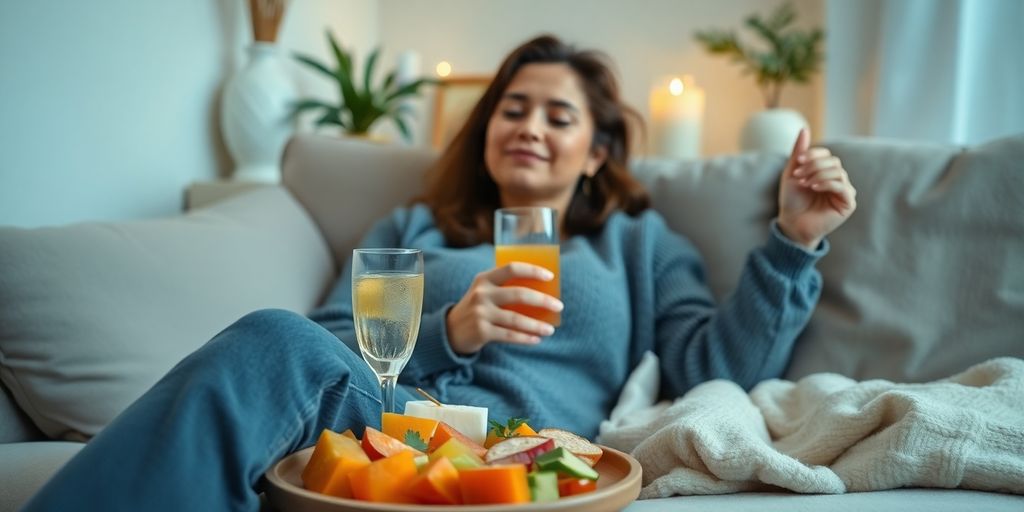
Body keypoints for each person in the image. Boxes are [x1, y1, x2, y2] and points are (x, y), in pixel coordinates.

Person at [24, 35, 856, 511]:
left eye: (558, 115)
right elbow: (321, 354)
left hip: (516, 451)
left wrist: (792, 238)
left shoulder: (638, 246)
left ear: (597, 151)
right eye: (513, 107)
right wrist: (447, 329)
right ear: (487, 129)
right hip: (390, 423)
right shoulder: (413, 230)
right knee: (274, 340)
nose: (529, 125)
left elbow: (716, 371)